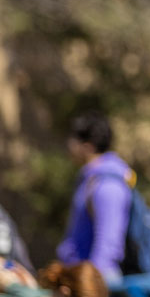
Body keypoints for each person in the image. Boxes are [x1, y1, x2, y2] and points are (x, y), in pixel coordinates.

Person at [57, 112, 132, 286]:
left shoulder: (107, 185)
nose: (69, 145)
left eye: (72, 140)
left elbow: (109, 243)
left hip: (94, 282)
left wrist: (90, 284)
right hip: (79, 275)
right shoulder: (91, 179)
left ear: (87, 146)